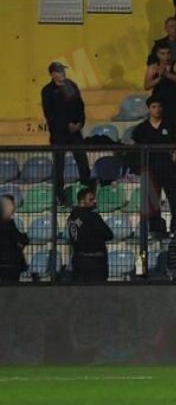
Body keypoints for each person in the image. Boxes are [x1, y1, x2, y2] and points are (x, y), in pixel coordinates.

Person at [131, 97, 176, 237]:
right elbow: (134, 146)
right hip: (151, 169)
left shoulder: (170, 124)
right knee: (152, 202)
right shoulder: (141, 128)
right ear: (149, 109)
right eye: (154, 107)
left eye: (159, 106)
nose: (157, 110)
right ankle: (157, 230)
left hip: (170, 168)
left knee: (175, 199)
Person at [41, 61, 90, 205]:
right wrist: (65, 125)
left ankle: (87, 194)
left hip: (75, 133)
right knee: (59, 167)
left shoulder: (70, 86)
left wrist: (79, 123)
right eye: (58, 71)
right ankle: (61, 198)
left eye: (62, 70)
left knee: (83, 163)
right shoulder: (48, 91)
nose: (62, 73)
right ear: (52, 74)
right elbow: (49, 114)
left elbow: (79, 106)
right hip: (59, 135)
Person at [67, 187, 112, 283]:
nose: (94, 201)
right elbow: (108, 234)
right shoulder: (93, 217)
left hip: (79, 260)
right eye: (91, 199)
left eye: (94, 199)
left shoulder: (72, 217)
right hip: (95, 262)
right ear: (82, 201)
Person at [0, 195, 27, 283]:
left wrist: (22, 241)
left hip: (10, 262)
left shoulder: (10, 222)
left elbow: (19, 238)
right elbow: (17, 237)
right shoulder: (7, 223)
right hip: (9, 262)